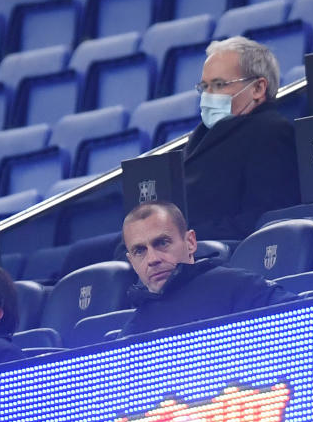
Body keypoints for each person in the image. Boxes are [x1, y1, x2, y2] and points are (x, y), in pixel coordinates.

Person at [119, 201, 294, 337]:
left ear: (190, 242)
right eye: (140, 251)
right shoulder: (134, 329)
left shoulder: (239, 287)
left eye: (162, 243)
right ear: (131, 261)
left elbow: (302, 327)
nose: (153, 259)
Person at [184, 36, 301, 240]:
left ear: (258, 88)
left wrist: (186, 238)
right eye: (205, 86)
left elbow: (262, 218)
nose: (208, 95)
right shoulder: (201, 136)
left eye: (219, 84)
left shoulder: (270, 132)